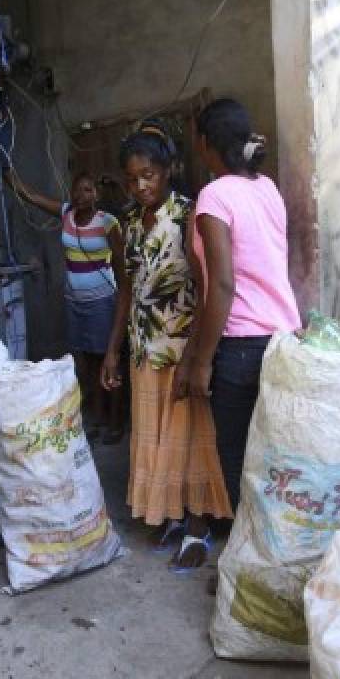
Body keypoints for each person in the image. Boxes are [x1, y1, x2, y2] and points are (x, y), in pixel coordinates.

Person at [102, 123, 232, 569]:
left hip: (180, 348)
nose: (141, 185)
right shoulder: (127, 224)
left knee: (191, 437)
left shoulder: (188, 215)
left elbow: (206, 284)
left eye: (149, 175)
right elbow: (125, 289)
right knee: (156, 437)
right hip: (143, 348)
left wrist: (196, 358)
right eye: (133, 178)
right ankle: (172, 516)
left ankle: (198, 527)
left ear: (166, 171)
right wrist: (112, 350)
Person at [182, 98, 301, 512]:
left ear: (205, 143)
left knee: (237, 461)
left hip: (240, 346)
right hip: (283, 338)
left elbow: (222, 285)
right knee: (275, 460)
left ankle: (249, 562)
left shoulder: (214, 196)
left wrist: (201, 361)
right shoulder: (266, 188)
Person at [6, 169, 126, 443]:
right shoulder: (66, 214)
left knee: (107, 361)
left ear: (96, 194)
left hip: (102, 303)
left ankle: (116, 421)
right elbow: (33, 197)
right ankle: (96, 418)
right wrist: (6, 173)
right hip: (75, 303)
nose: (82, 196)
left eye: (88, 190)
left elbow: (122, 271)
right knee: (84, 363)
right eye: (78, 190)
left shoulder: (108, 223)